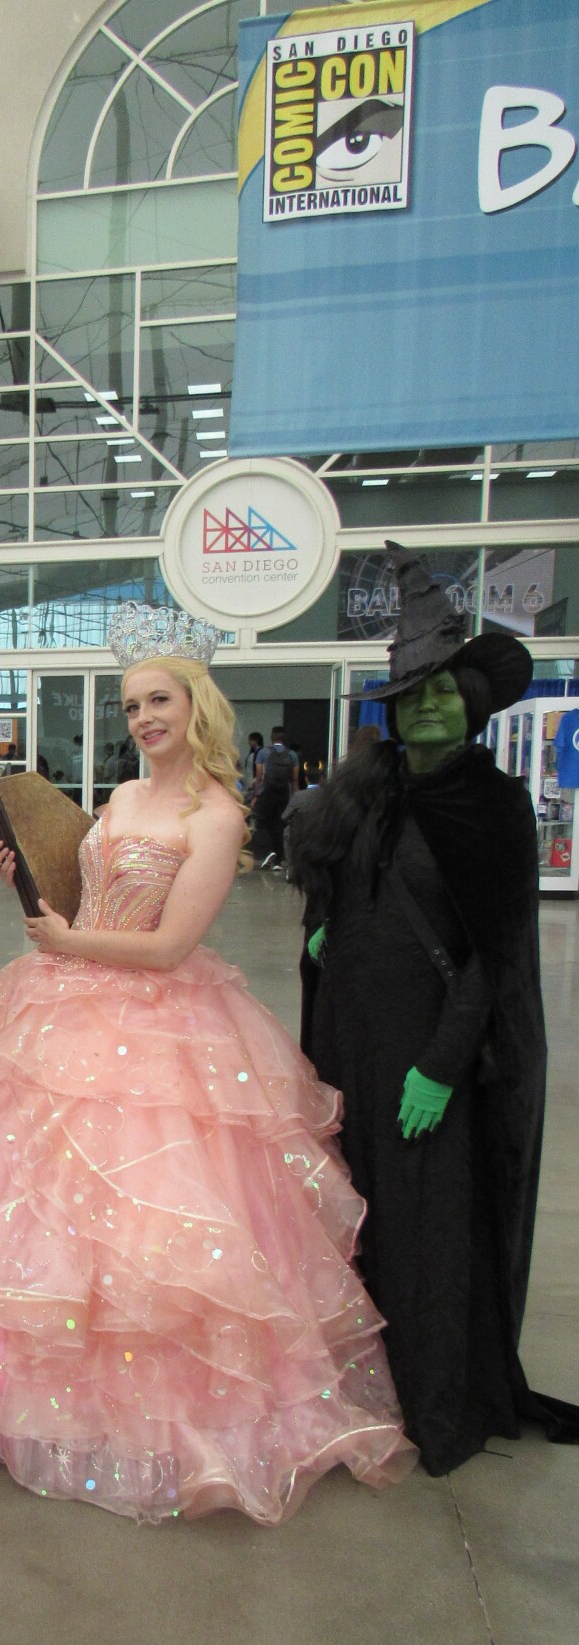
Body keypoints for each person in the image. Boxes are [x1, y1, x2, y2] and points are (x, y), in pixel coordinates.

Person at [0, 607, 416, 1524]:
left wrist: (68, 940)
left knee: (150, 1211)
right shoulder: (126, 795)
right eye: (133, 704)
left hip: (160, 1021)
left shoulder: (215, 813)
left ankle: (142, 1404)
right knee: (30, 1201)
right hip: (65, 1005)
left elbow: (173, 946)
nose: (144, 717)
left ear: (197, 704)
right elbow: (88, 888)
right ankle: (20, 1385)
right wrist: (28, 876)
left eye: (160, 700)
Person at [291, 543, 578, 1475]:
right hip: (349, 1046)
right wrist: (324, 934)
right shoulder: (366, 790)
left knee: (423, 1235)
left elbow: (495, 961)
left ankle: (427, 1401)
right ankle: (353, 1391)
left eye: (443, 691)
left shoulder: (491, 807)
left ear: (473, 700)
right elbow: (338, 889)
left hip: (425, 1057)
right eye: (412, 694)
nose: (428, 706)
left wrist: (443, 1068)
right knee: (350, 1222)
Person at [251, 726, 298, 866]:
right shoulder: (292, 755)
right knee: (280, 823)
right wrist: (295, 797)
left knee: (262, 821)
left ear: (272, 738)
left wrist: (255, 795)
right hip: (283, 793)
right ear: (284, 739)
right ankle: (278, 858)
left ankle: (268, 852)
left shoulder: (263, 753)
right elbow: (294, 779)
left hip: (266, 793)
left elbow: (259, 777)